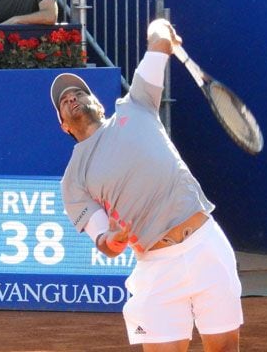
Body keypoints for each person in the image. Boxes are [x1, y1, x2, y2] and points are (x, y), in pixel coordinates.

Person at [50, 18, 242, 351]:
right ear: (63, 124)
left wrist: (161, 31)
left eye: (79, 92)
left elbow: (156, 38)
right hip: (156, 267)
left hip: (206, 245)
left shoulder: (137, 103)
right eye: (64, 101)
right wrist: (113, 239)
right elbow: (103, 240)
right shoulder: (73, 180)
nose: (72, 98)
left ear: (97, 101)